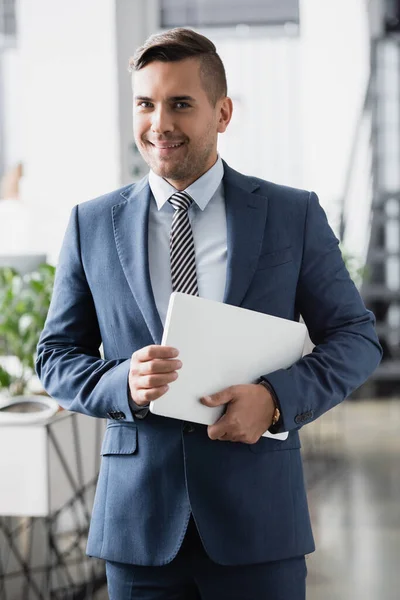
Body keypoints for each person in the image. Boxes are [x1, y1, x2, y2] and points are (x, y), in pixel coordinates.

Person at [36, 27, 382, 600]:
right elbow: (55, 357)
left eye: (180, 104)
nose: (159, 123)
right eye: (145, 104)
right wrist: (122, 382)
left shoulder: (289, 214)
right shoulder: (89, 223)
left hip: (259, 523)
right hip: (138, 529)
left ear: (222, 113)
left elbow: (355, 337)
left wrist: (275, 400)